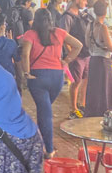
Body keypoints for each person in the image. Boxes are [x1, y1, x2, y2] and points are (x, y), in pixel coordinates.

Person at [20, 8, 82, 157]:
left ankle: (48, 149)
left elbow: (25, 53)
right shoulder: (59, 32)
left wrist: (26, 72)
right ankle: (44, 142)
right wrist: (66, 60)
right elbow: (78, 45)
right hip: (57, 77)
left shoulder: (30, 34)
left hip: (38, 77)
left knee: (44, 112)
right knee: (45, 110)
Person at [60, 0, 92, 118]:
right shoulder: (67, 17)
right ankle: (73, 109)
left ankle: (82, 104)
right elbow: (63, 37)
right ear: (76, 0)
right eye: (84, 0)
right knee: (76, 82)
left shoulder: (81, 15)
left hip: (86, 53)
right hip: (77, 55)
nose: (85, 3)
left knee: (85, 79)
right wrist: (71, 54)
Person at [84, 0, 112, 117]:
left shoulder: (90, 25)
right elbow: (111, 48)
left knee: (94, 89)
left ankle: (92, 113)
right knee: (105, 90)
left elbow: (87, 44)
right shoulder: (103, 27)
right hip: (104, 62)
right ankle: (105, 114)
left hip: (93, 60)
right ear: (105, 12)